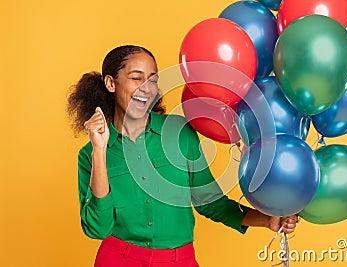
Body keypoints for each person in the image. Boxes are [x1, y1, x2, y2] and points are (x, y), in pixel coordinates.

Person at [67, 45, 299, 267]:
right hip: (118, 259)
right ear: (110, 83)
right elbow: (98, 228)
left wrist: (266, 219)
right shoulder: (89, 155)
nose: (146, 88)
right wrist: (99, 149)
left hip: (179, 260)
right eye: (136, 78)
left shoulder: (179, 133)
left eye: (153, 80)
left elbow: (211, 203)